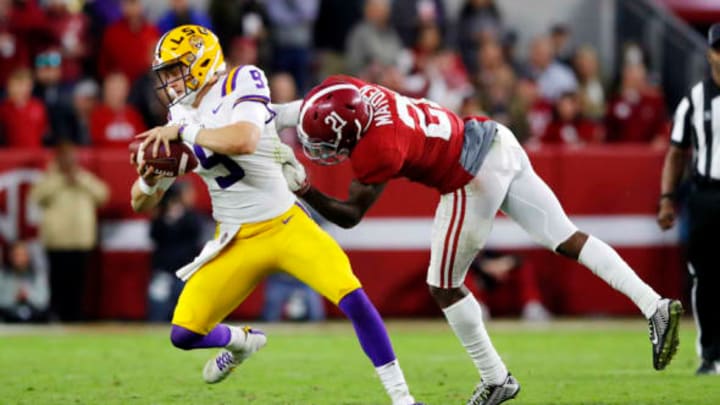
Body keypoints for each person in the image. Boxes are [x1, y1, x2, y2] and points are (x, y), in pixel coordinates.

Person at [274, 75, 684, 405]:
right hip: (494, 138)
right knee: (566, 236)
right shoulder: (352, 93)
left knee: (443, 285)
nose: (322, 151)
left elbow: (349, 216)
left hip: (469, 176)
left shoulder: (379, 148)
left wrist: (305, 190)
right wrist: (258, 116)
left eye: (328, 144)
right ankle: (655, 305)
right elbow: (300, 111)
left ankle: (496, 378)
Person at [131, 25, 420, 405]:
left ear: (201, 62)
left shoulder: (242, 79)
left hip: (285, 225)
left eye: (175, 69)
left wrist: (186, 132)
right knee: (183, 333)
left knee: (353, 298)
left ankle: (403, 399)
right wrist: (151, 179)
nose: (169, 81)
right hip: (235, 237)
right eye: (165, 73)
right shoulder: (179, 112)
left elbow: (244, 139)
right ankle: (242, 344)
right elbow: (140, 202)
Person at [658, 23, 720, 376]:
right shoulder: (695, 100)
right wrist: (667, 198)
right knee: (706, 276)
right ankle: (710, 353)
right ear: (710, 53)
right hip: (707, 193)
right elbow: (676, 153)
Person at [30, 140, 109, 321]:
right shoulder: (49, 178)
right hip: (57, 240)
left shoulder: (84, 177)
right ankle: (56, 314)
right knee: (57, 281)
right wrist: (61, 180)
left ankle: (75, 316)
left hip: (81, 240)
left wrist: (79, 179)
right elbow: (36, 197)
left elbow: (103, 195)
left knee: (78, 283)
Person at [147, 181, 203, 322]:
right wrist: (167, 218)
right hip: (164, 270)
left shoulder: (192, 216)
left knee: (186, 310)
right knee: (159, 305)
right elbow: (154, 235)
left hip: (185, 270)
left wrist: (179, 218)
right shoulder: (161, 215)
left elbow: (194, 234)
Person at [0, 240, 49, 323]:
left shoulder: (37, 275)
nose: (19, 258)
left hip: (35, 318)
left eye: (22, 255)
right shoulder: (3, 275)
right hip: (8, 317)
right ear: (10, 256)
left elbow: (44, 300)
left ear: (27, 256)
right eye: (16, 255)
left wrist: (28, 296)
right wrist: (14, 297)